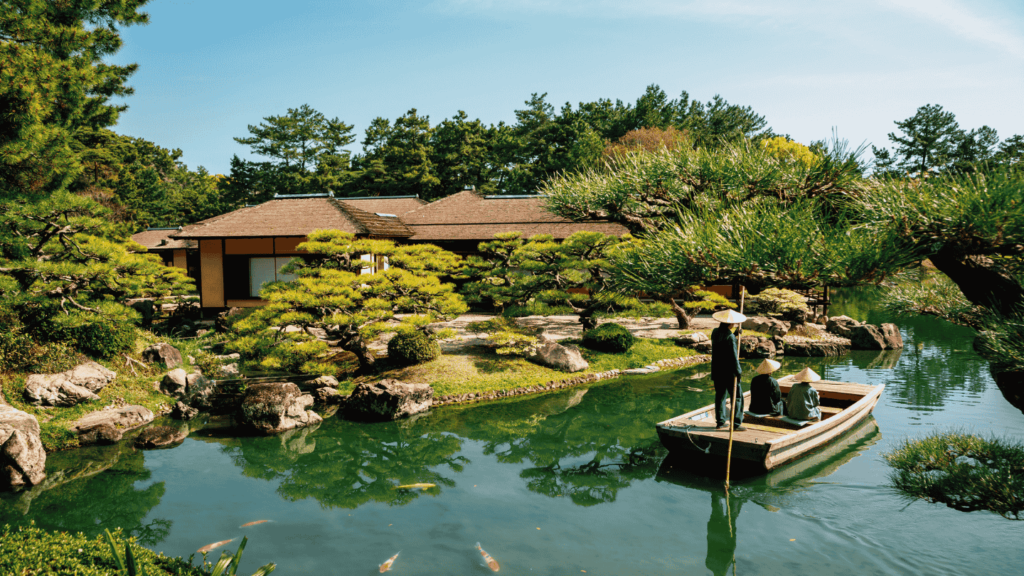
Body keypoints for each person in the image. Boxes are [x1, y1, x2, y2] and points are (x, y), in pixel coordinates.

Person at [711, 309, 747, 431]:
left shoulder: (715, 332)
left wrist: (735, 334)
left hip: (717, 371)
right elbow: (733, 357)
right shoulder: (730, 338)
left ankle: (720, 422)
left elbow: (722, 341)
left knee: (720, 396)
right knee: (737, 397)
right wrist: (739, 372)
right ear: (730, 324)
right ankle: (736, 423)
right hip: (729, 373)